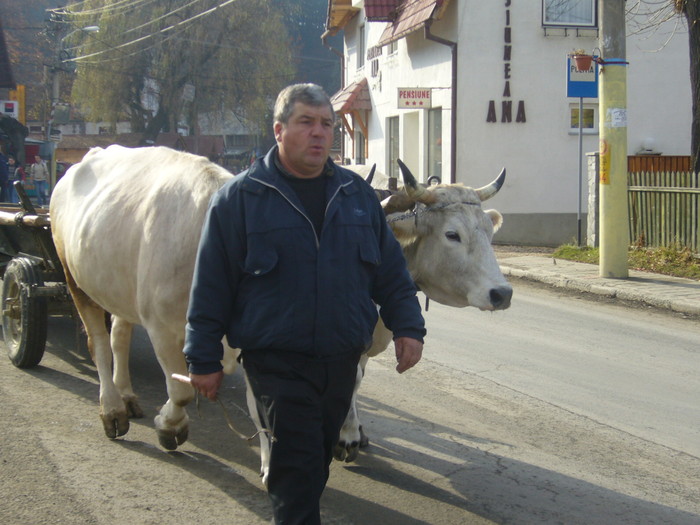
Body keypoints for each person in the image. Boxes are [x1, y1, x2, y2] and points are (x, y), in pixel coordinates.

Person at [183, 83, 425, 525]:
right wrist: (203, 359)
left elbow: (390, 273)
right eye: (306, 123)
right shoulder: (240, 200)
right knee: (295, 469)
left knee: (315, 461)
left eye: (327, 124)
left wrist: (408, 326)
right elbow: (211, 286)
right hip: (277, 361)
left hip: (341, 358)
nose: (319, 134)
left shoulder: (356, 198)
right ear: (279, 130)